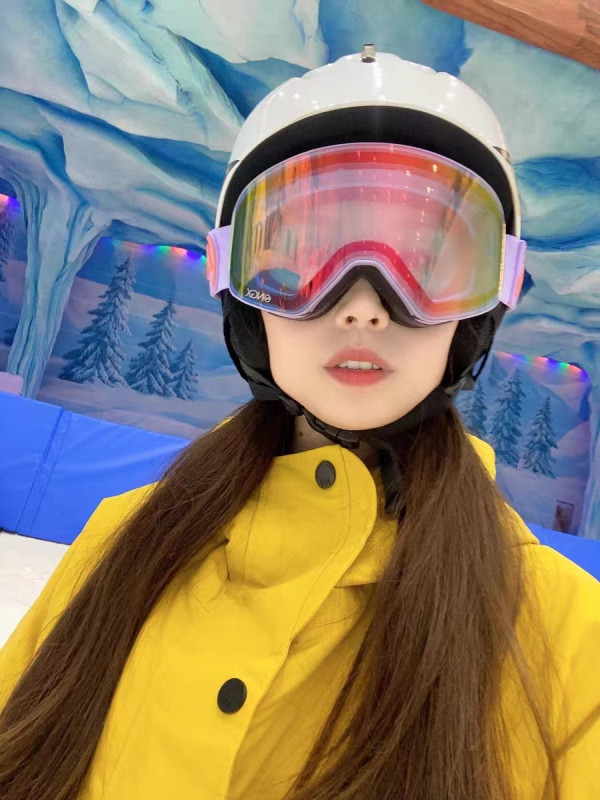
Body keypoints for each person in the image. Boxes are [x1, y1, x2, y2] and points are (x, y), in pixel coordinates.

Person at [0, 47, 598, 800]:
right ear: (239, 287)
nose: (364, 306)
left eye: (426, 261)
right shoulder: (123, 540)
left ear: (483, 306)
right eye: (305, 251)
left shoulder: (571, 637)